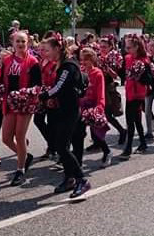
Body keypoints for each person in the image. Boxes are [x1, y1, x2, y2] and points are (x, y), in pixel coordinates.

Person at [41, 37, 91, 198]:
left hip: (70, 111)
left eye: (47, 50)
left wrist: (41, 95)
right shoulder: (61, 64)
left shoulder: (68, 66)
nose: (45, 53)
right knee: (62, 145)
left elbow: (59, 86)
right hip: (63, 109)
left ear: (57, 49)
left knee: (61, 146)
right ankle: (69, 178)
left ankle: (82, 180)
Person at [0, 31, 40, 186]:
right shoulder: (7, 60)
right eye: (18, 41)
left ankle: (20, 169)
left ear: (28, 42)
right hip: (9, 103)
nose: (20, 44)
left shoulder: (33, 62)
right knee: (6, 138)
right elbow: (2, 81)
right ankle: (24, 155)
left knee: (19, 136)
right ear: (13, 43)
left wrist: (26, 96)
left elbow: (37, 85)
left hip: (25, 104)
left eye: (23, 41)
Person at [78, 47, 112, 167]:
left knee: (98, 133)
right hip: (81, 106)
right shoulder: (81, 71)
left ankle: (107, 152)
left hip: (93, 106)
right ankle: (78, 158)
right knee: (79, 132)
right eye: (81, 59)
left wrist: (99, 108)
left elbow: (100, 92)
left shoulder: (97, 73)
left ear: (92, 59)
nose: (83, 62)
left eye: (86, 59)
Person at [119, 35, 150, 159]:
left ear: (137, 47)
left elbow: (147, 79)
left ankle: (128, 147)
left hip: (138, 93)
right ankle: (142, 143)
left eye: (129, 47)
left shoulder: (144, 60)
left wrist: (139, 75)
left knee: (130, 120)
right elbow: (123, 74)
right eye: (126, 47)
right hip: (129, 92)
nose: (127, 50)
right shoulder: (127, 58)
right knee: (136, 119)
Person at [98, 36, 127, 145]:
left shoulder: (114, 57)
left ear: (110, 47)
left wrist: (107, 68)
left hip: (108, 89)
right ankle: (98, 141)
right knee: (96, 114)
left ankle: (122, 131)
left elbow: (115, 76)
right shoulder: (98, 57)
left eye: (104, 47)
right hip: (97, 87)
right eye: (100, 47)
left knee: (107, 115)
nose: (102, 49)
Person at [34, 39, 56, 160]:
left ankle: (53, 147)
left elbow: (55, 81)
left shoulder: (53, 63)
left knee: (53, 124)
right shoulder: (41, 61)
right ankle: (53, 144)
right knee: (38, 120)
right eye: (40, 50)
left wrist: (49, 95)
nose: (42, 52)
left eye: (44, 50)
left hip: (51, 97)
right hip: (41, 96)